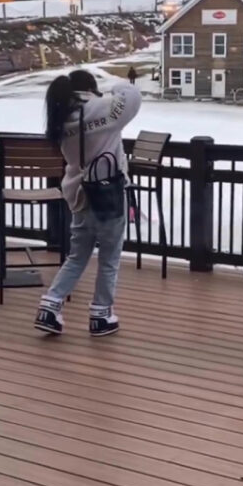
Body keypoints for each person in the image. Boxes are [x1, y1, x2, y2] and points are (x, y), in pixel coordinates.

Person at [34, 70, 142, 336]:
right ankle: (101, 315)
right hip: (108, 194)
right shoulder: (102, 108)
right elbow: (132, 96)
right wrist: (117, 85)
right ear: (91, 88)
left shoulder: (60, 118)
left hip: (79, 196)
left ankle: (50, 305)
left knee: (77, 256)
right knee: (109, 258)